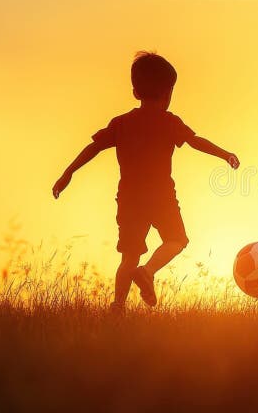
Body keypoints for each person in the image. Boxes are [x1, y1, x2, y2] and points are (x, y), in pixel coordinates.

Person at [52, 51, 239, 311]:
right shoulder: (169, 122)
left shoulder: (121, 123)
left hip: (129, 198)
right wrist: (225, 154)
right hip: (161, 196)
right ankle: (148, 272)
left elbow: (92, 148)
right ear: (168, 93)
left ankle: (117, 306)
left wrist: (68, 173)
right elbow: (196, 141)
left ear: (135, 92)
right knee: (177, 240)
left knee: (129, 256)